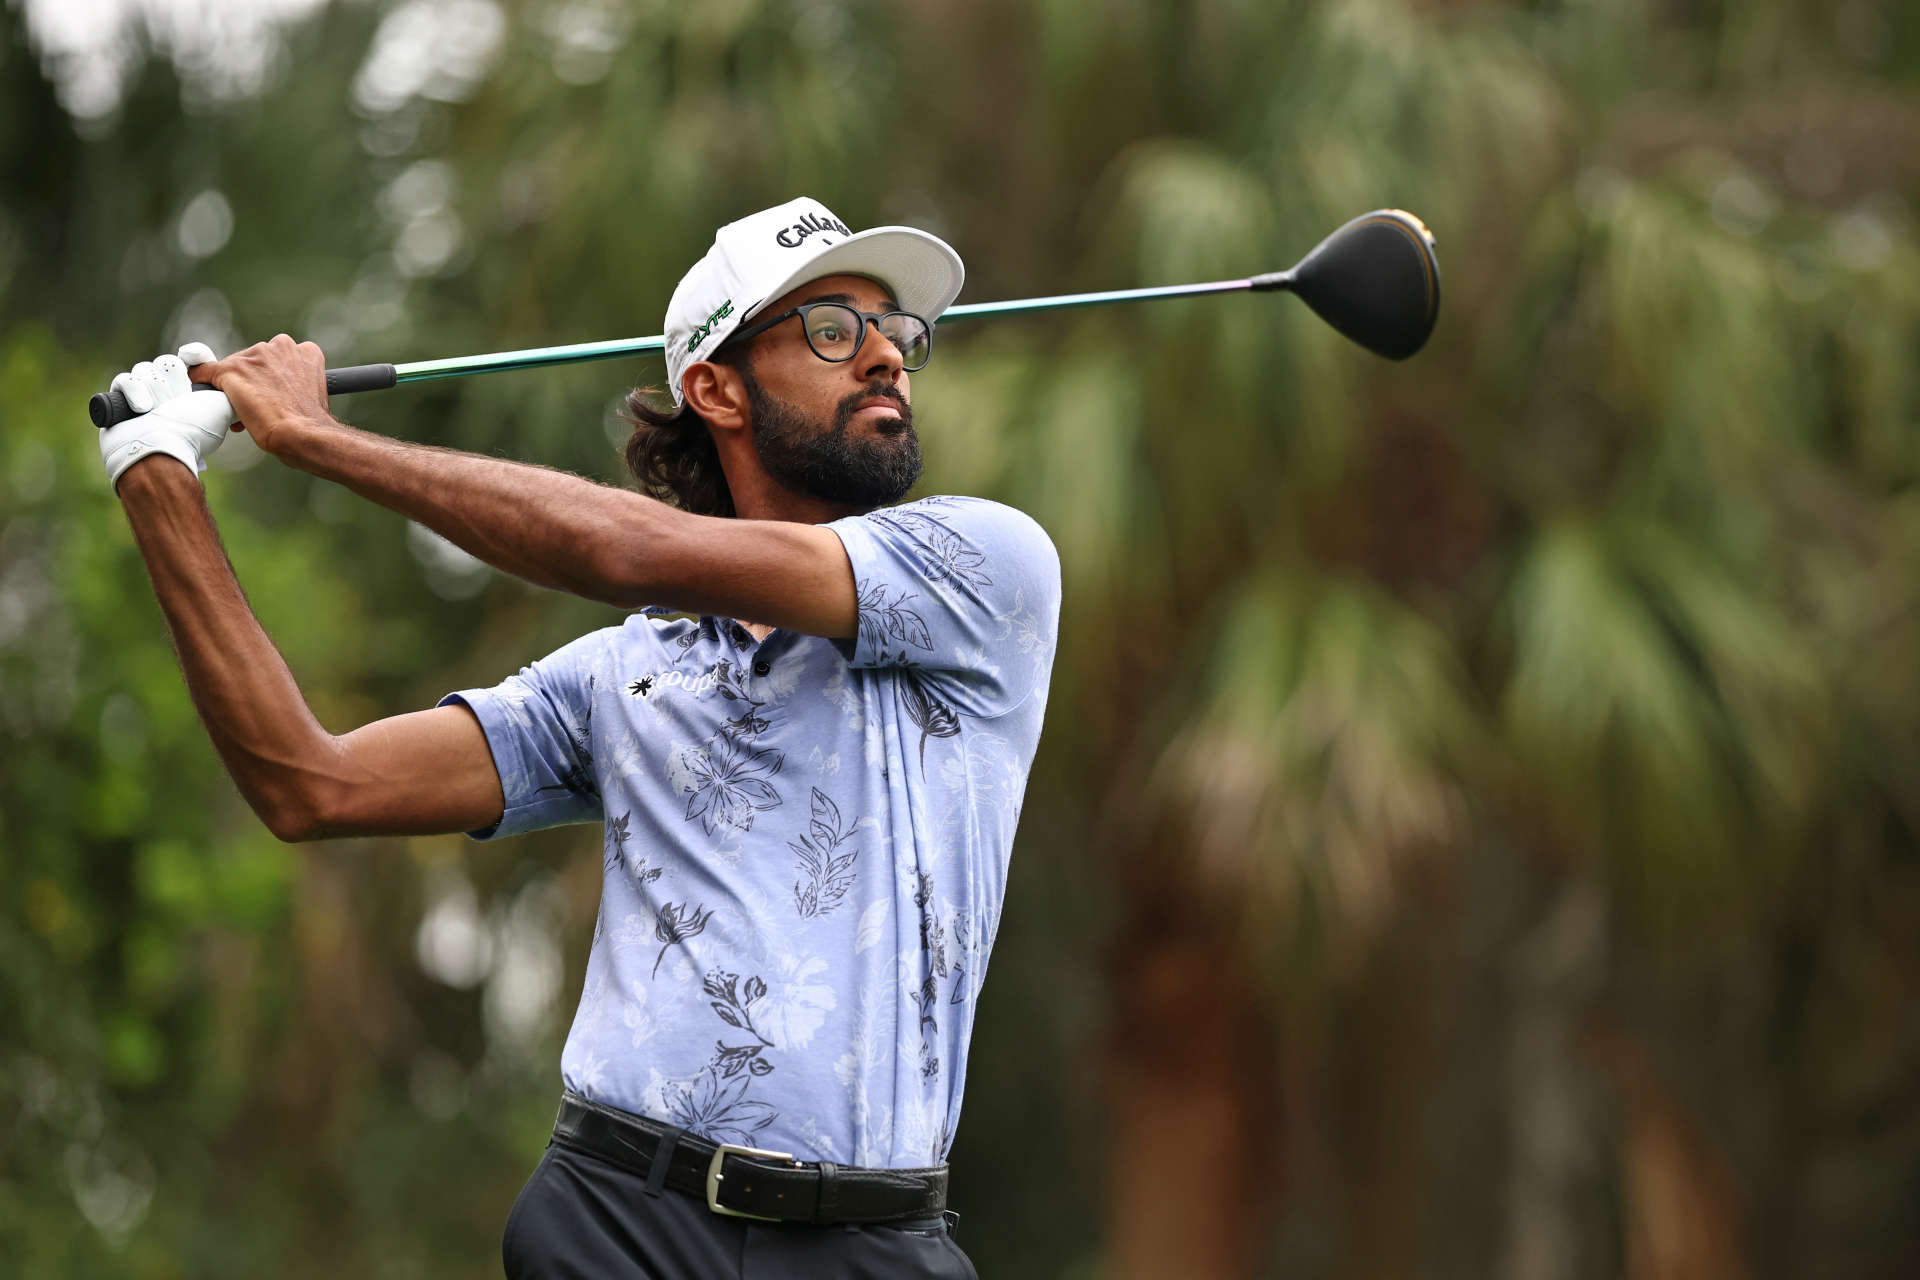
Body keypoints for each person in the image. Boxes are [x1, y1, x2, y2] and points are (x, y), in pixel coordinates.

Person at [99, 196, 1061, 1278]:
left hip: (876, 1243)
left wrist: (318, 439)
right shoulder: (623, 675)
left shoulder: (981, 568)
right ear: (715, 388)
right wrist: (156, 472)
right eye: (836, 329)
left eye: (900, 336)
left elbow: (625, 548)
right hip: (615, 1223)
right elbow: (310, 783)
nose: (886, 356)